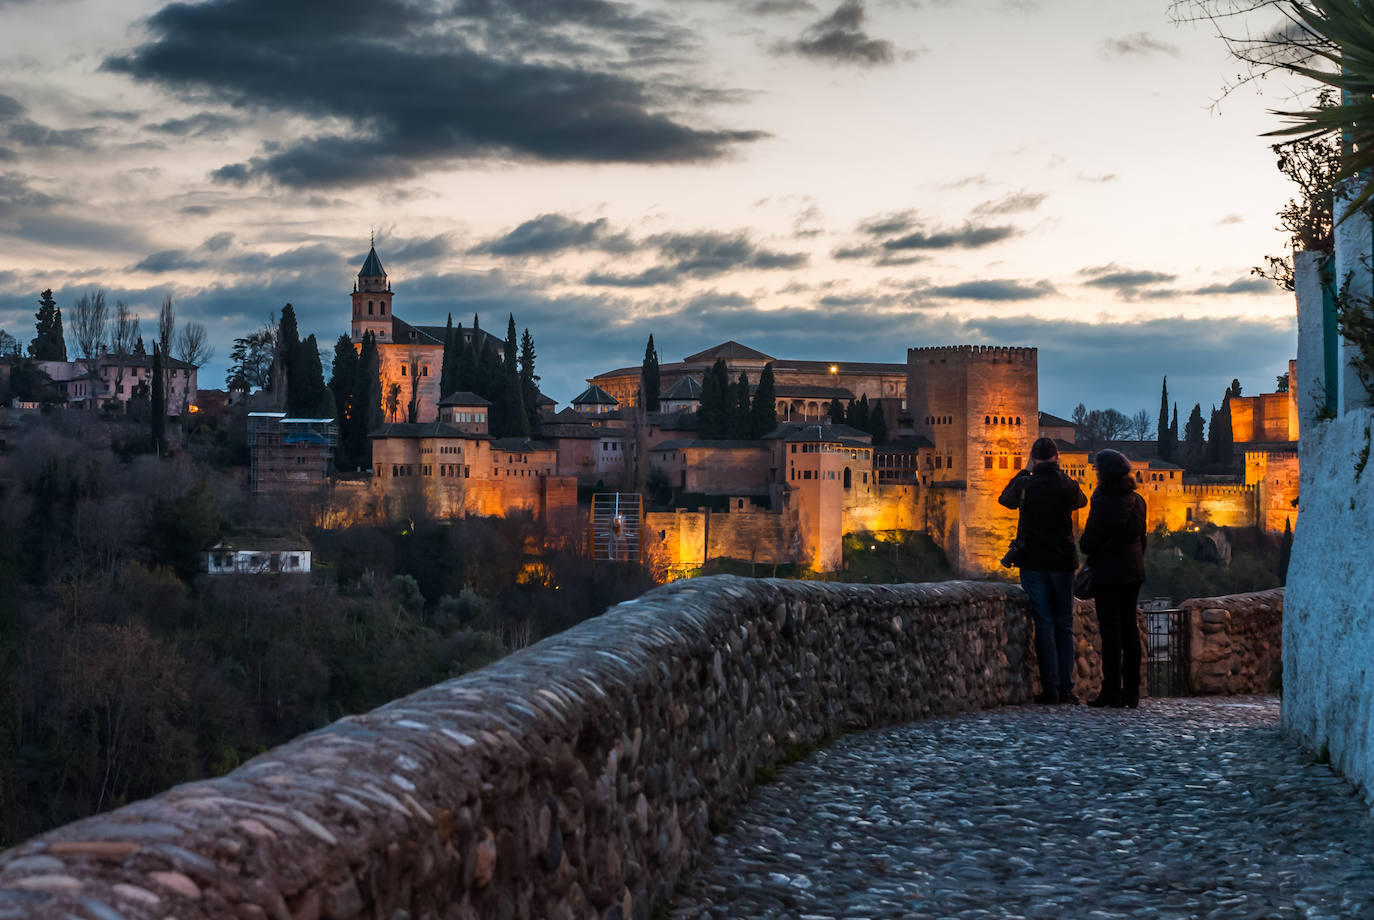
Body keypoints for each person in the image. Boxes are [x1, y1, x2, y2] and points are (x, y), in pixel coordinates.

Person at [999, 437, 1087, 705]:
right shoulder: (1067, 485)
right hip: (1062, 563)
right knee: (1064, 625)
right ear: (1057, 457)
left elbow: (1005, 499)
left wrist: (1025, 471)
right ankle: (1066, 688)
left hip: (1034, 563)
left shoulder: (1026, 484)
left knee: (1044, 624)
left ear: (1034, 458)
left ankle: (1049, 688)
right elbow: (1081, 501)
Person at [1079, 449, 1148, 708]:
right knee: (1130, 632)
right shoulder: (1138, 501)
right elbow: (1142, 539)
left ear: (1103, 474)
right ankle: (1132, 692)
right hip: (1133, 572)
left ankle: (1111, 692)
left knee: (1111, 634)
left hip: (1108, 575)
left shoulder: (1102, 502)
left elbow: (1089, 543)